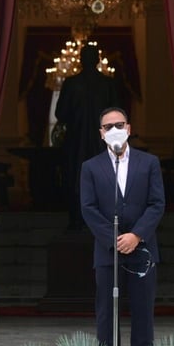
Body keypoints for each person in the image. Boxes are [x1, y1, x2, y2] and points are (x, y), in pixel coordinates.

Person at [79, 107, 165, 346]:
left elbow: (156, 203)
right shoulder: (91, 167)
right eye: (108, 126)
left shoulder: (148, 163)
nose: (114, 129)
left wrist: (136, 235)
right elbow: (88, 208)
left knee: (142, 312)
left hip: (143, 251)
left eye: (119, 124)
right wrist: (115, 240)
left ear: (128, 128)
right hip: (108, 252)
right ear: (101, 133)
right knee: (106, 313)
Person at [56, 44, 119, 228]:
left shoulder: (71, 83)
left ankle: (76, 221)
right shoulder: (108, 83)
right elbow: (118, 112)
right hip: (103, 142)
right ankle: (101, 220)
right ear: (98, 60)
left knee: (76, 178)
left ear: (82, 60)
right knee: (103, 179)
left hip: (76, 141)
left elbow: (61, 113)